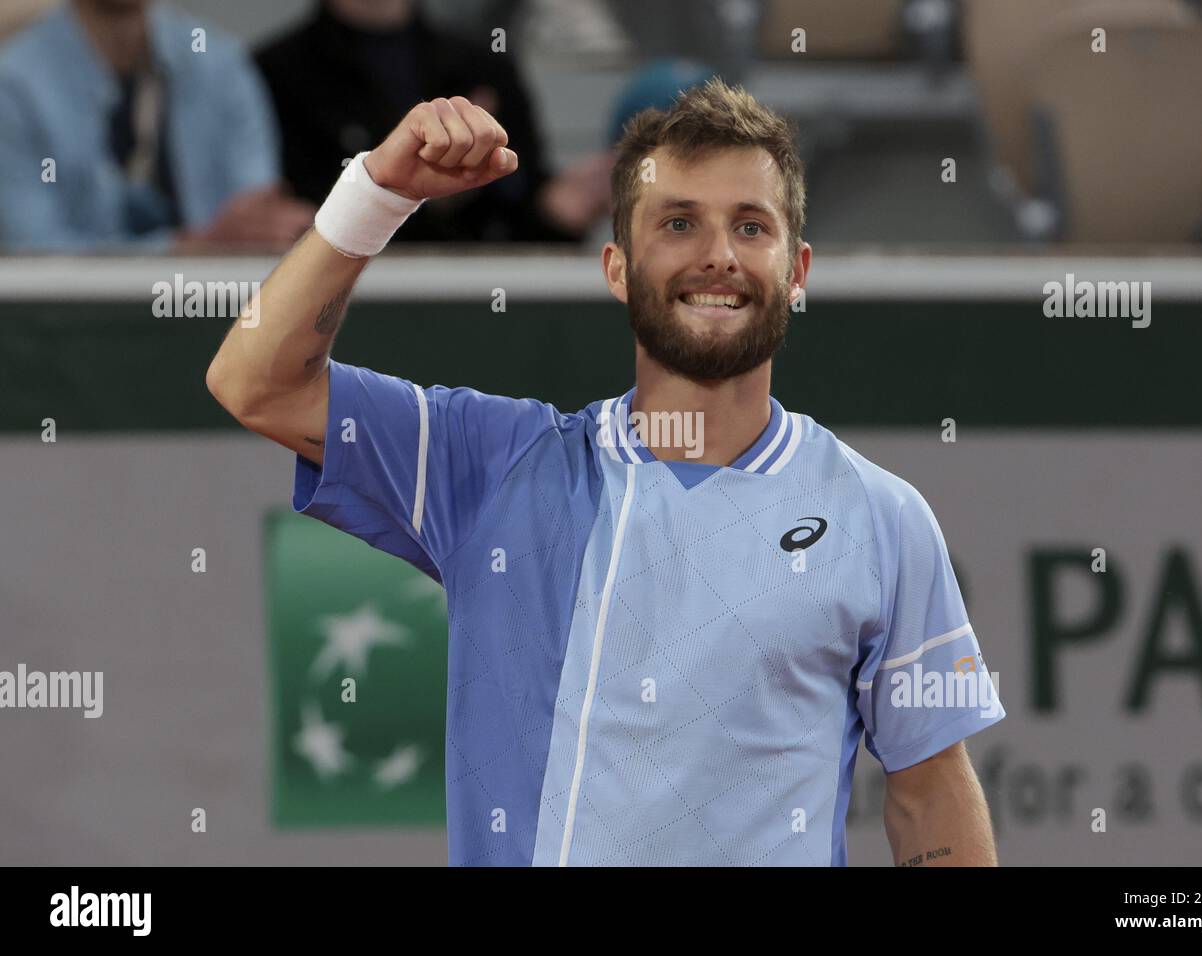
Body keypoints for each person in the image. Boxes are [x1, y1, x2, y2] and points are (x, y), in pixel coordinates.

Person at [206, 80, 1006, 867]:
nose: (719, 256)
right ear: (617, 267)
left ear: (797, 271)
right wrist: (377, 194)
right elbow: (256, 383)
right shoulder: (492, 466)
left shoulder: (881, 517)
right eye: (680, 222)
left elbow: (928, 787)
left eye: (751, 227)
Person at [255, 0, 611, 243]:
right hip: (343, 301)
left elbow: (523, 205)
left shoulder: (483, 68)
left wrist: (558, 211)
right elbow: (289, 221)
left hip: (477, 301)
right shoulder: (274, 73)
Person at [0, 0, 312, 252]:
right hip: (70, 324)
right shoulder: (15, 85)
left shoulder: (220, 64)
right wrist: (190, 248)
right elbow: (33, 250)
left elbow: (255, 213)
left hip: (215, 309)